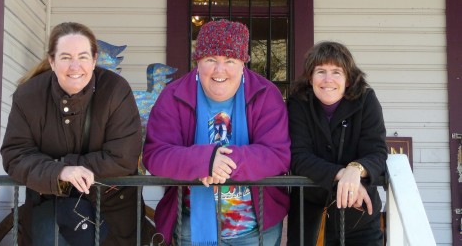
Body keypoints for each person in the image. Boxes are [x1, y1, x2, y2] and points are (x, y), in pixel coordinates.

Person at [1, 22, 151, 245]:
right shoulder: (28, 95)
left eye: (82, 56)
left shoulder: (115, 90)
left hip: (110, 208)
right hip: (49, 208)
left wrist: (69, 167)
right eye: (65, 57)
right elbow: (15, 155)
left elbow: (124, 157)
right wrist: (59, 172)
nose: (75, 66)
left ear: (94, 59)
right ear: (52, 61)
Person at [142, 19, 290, 246]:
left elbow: (278, 155)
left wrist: (224, 162)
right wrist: (206, 160)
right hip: (191, 227)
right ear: (198, 61)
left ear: (243, 63)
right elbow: (155, 155)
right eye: (211, 59)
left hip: (256, 230)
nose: (219, 70)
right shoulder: (173, 96)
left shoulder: (265, 94)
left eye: (229, 60)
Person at [287, 41, 387, 246]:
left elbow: (376, 152)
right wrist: (343, 174)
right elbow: (298, 157)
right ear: (310, 77)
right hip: (310, 215)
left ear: (348, 79)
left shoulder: (366, 100)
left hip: (359, 216)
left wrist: (356, 169)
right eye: (320, 71)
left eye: (336, 72)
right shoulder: (298, 102)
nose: (328, 79)